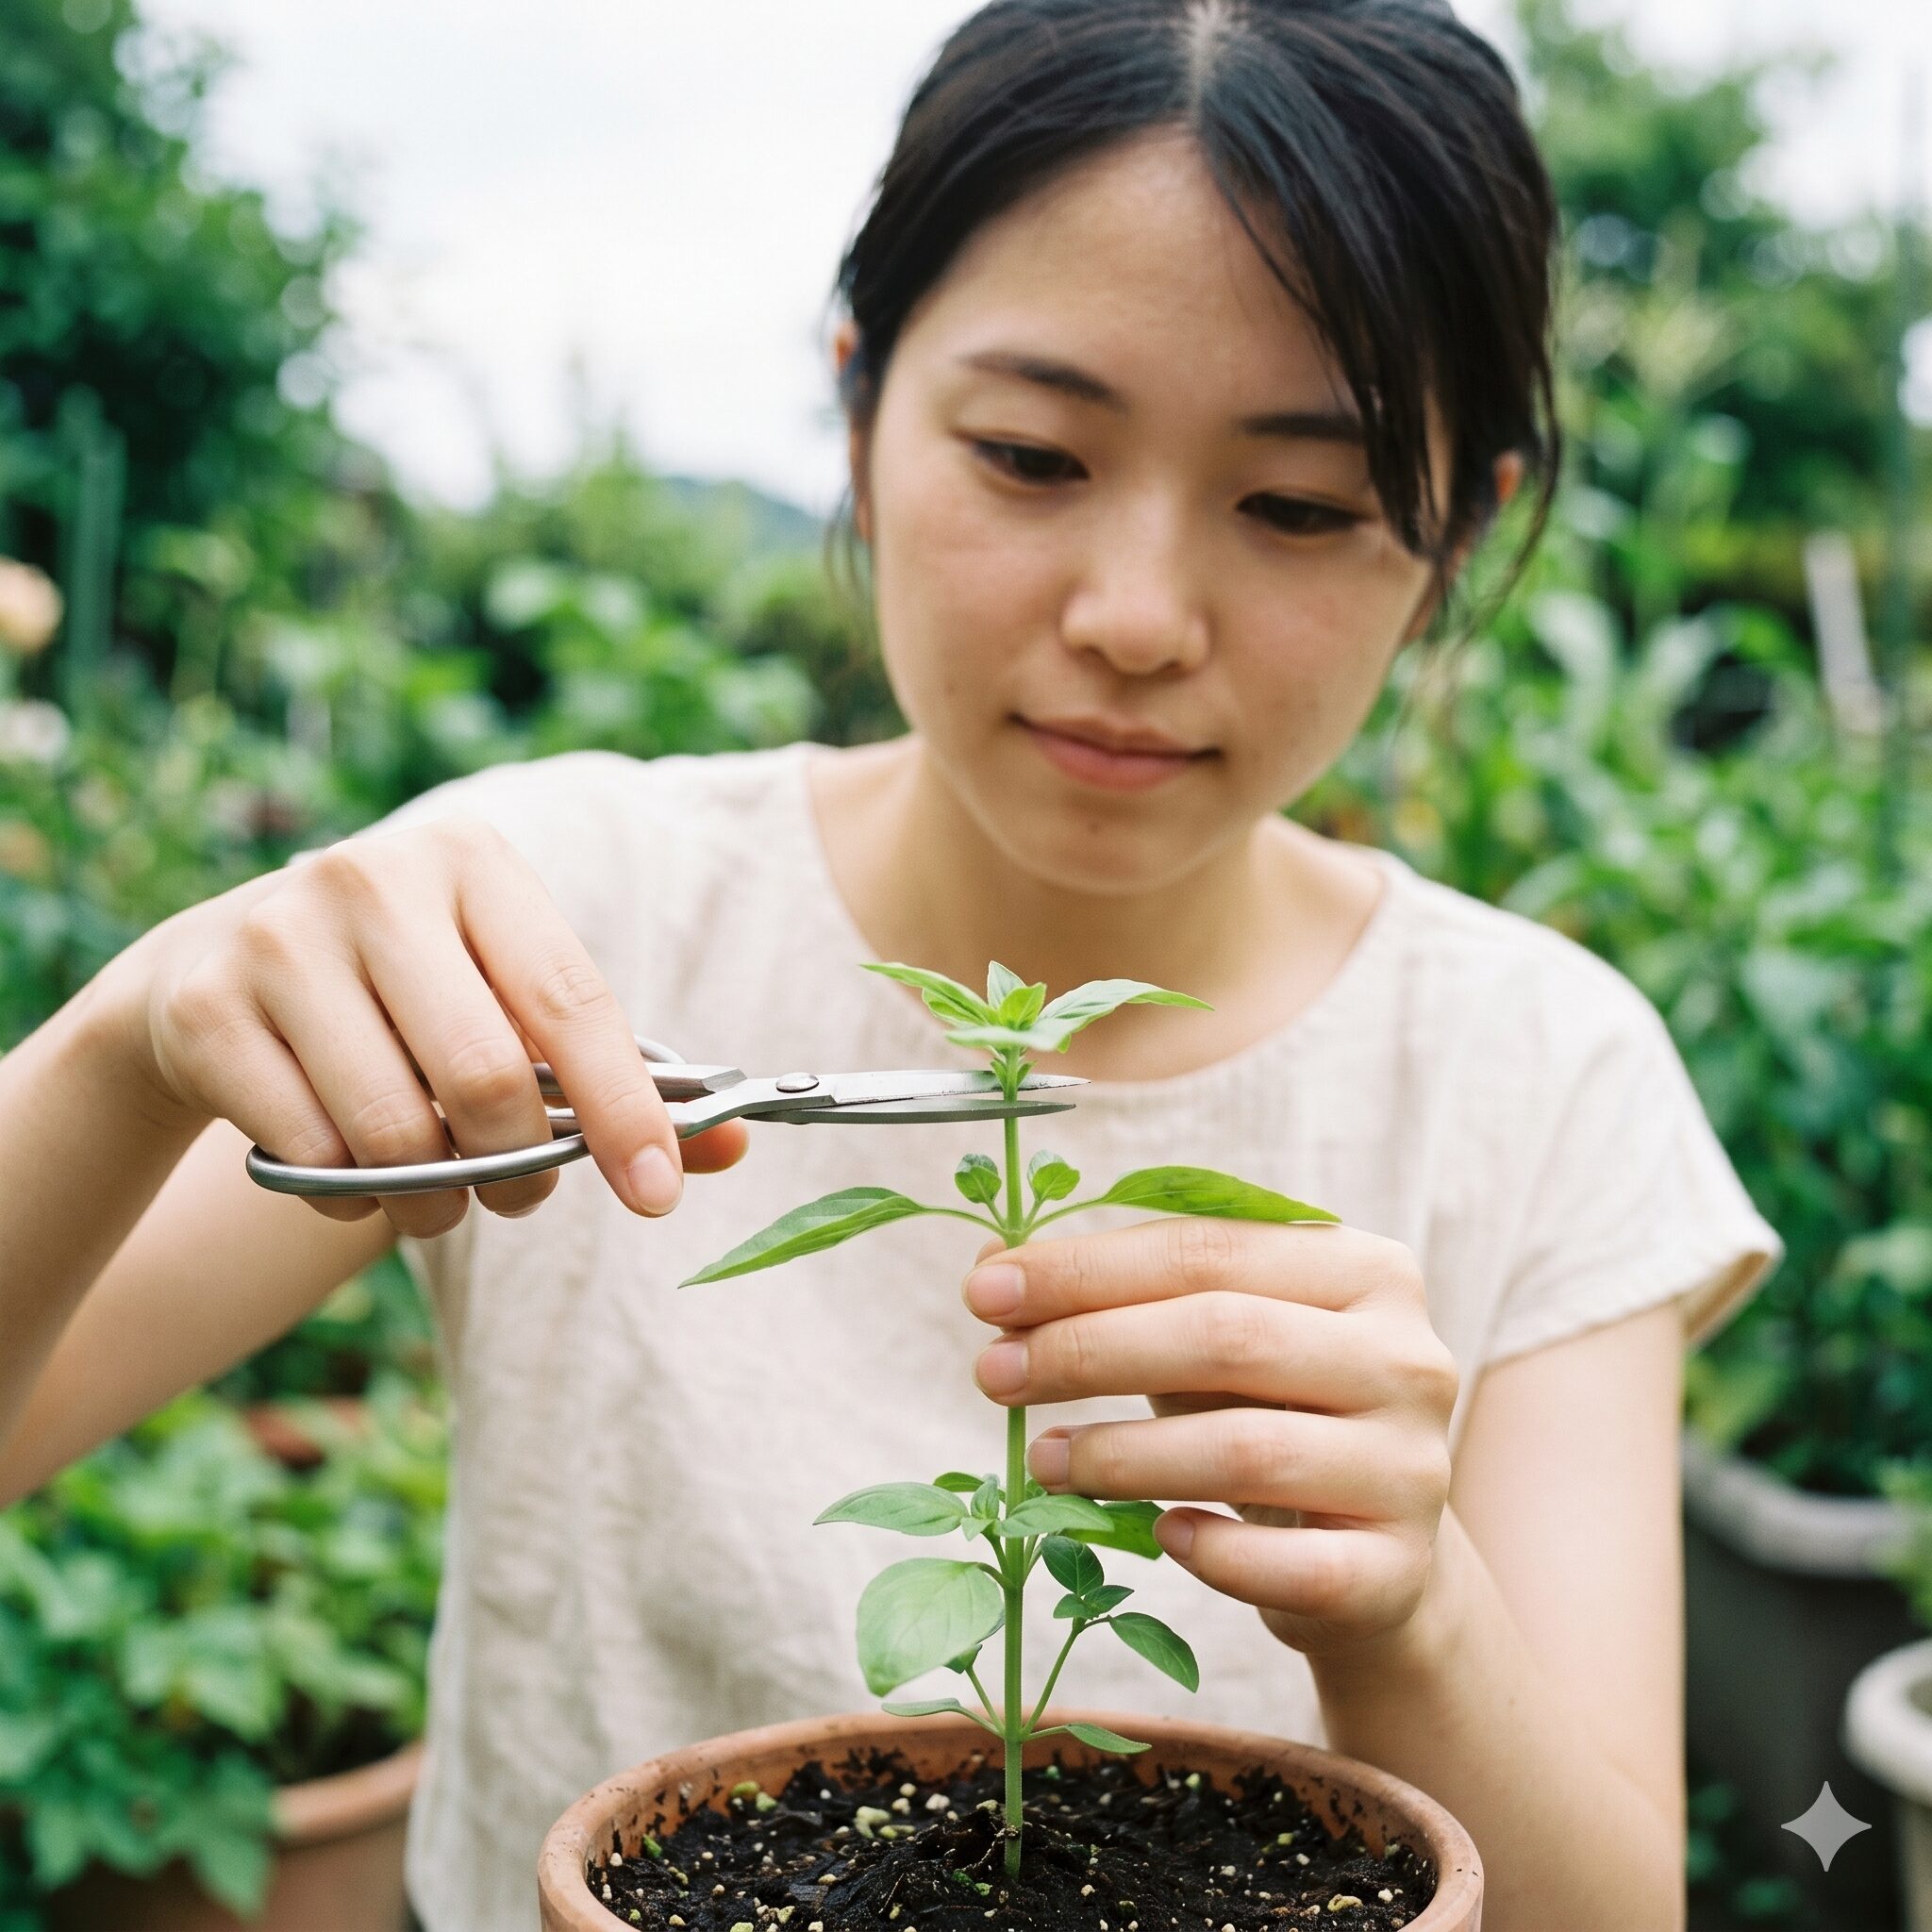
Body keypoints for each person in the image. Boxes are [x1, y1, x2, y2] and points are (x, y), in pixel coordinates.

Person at [0, 3, 1783, 1927]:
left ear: (1458, 534)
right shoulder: (564, 913)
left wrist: (1411, 1603)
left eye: (1299, 505)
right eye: (1030, 455)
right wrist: (127, 1048)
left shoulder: (1531, 1069)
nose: (1132, 617)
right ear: (856, 409)